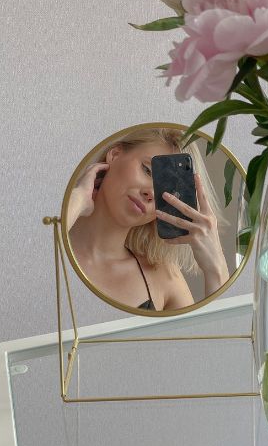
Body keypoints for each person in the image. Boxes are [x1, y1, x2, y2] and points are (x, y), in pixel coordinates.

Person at [66, 127, 230, 311]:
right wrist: (76, 199)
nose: (151, 193)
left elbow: (211, 337)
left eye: (165, 190)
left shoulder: (163, 277)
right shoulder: (45, 248)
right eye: (148, 171)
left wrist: (215, 267)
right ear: (115, 154)